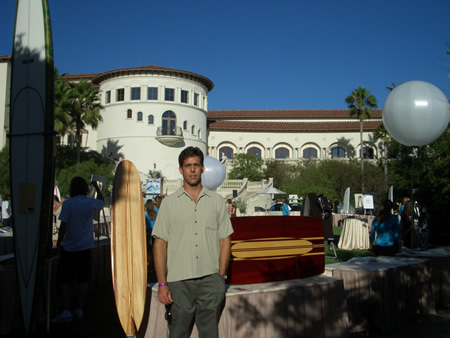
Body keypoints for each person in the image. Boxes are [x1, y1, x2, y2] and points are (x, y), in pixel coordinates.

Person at [152, 146, 234, 338]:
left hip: (210, 278)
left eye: (196, 165)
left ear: (203, 168)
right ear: (181, 170)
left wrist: (220, 276)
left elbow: (225, 240)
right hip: (179, 280)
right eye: (188, 165)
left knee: (209, 333)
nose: (193, 169)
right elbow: (160, 244)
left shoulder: (217, 202)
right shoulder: (169, 203)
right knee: (178, 332)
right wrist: (162, 283)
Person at [51, 177, 104, 323]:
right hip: (85, 246)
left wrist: (59, 242)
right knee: (83, 280)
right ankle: (79, 308)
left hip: (70, 247)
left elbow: (63, 224)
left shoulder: (68, 203)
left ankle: (67, 309)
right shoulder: (89, 202)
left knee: (65, 280)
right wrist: (98, 188)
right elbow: (101, 201)